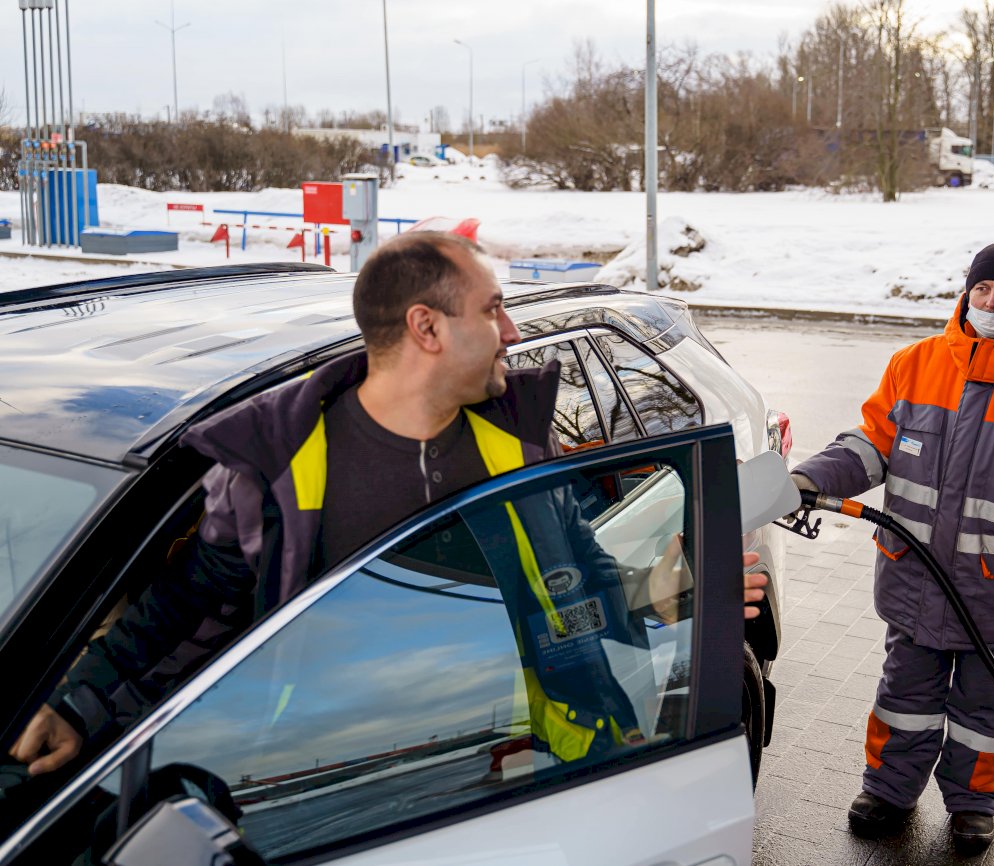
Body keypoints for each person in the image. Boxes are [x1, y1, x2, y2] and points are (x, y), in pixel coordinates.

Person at [10, 231, 767, 778]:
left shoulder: (517, 447)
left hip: (525, 767)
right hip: (346, 779)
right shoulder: (278, 468)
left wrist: (667, 598)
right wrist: (79, 705)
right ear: (426, 327)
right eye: (493, 311)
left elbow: (576, 583)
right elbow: (185, 608)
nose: (511, 332)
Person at [790, 240, 994, 850]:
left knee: (989, 708)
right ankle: (888, 791)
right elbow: (872, 446)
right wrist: (812, 476)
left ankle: (972, 805)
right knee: (904, 695)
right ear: (966, 292)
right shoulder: (915, 364)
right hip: (915, 580)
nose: (991, 301)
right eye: (982, 290)